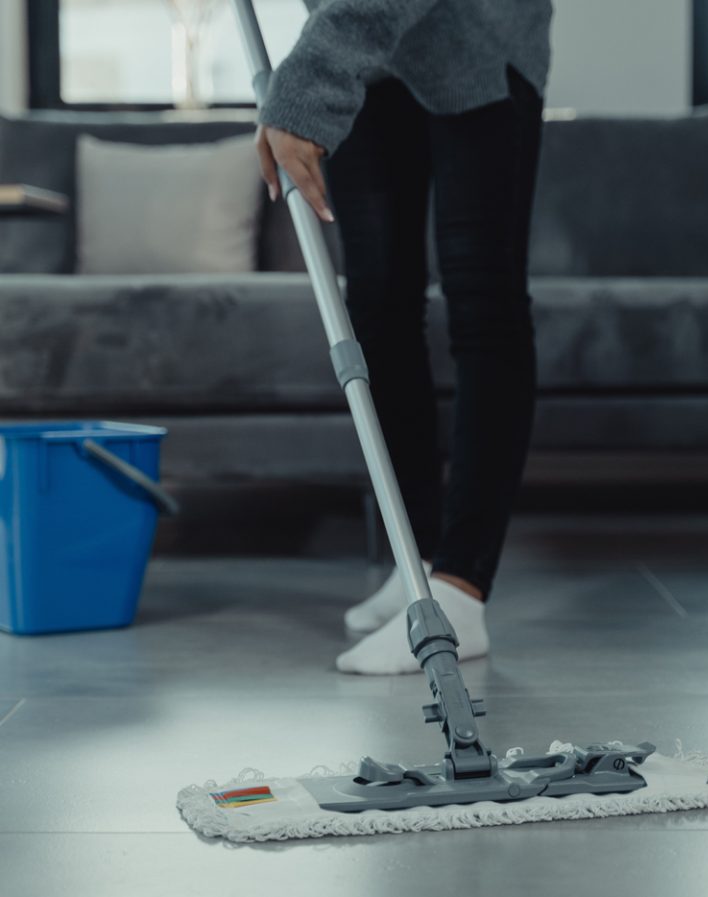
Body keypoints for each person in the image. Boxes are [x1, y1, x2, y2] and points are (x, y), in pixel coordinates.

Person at [255, 0, 553, 674]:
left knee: (484, 301)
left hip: (479, 43)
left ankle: (461, 584)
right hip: (376, 63)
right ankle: (415, 558)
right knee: (381, 307)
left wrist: (305, 90)